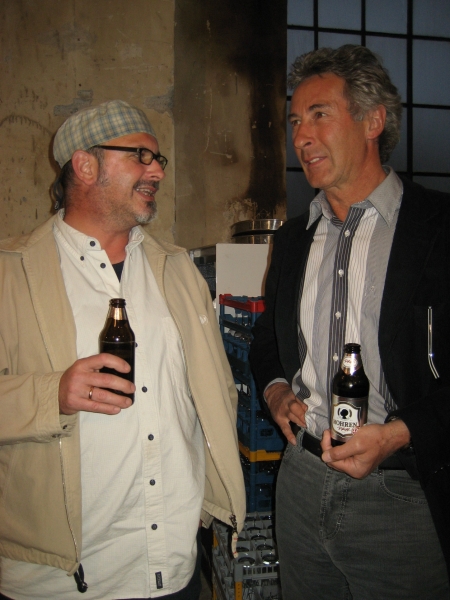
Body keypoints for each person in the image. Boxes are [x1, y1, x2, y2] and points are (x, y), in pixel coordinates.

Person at [0, 100, 246, 600]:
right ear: (85, 165)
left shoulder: (177, 269)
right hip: (61, 580)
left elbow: (211, 393)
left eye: (158, 159)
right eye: (140, 155)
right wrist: (53, 394)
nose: (157, 171)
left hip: (170, 567)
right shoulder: (11, 271)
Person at [249, 45, 450, 599]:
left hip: (401, 495)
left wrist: (401, 433)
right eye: (296, 120)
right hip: (299, 481)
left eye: (320, 114)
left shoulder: (437, 228)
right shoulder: (293, 239)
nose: (302, 136)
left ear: (372, 121)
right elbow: (267, 340)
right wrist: (276, 390)